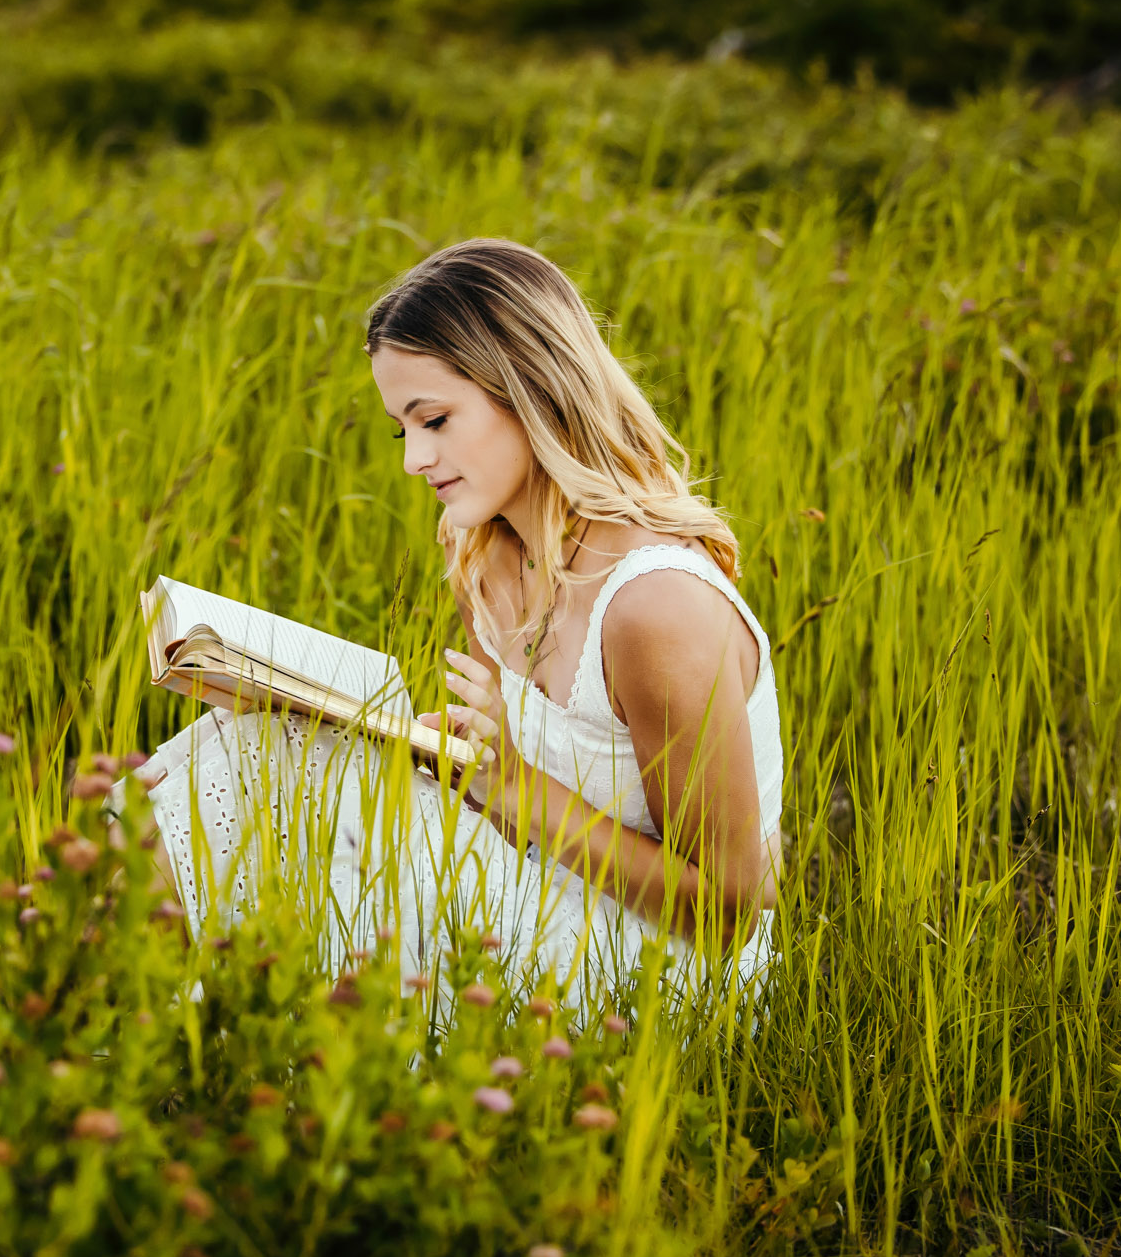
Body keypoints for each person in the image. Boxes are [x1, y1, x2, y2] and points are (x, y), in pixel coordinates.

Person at [138, 238, 783, 1021]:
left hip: (654, 967)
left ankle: (78, 1028)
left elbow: (728, 906)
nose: (415, 460)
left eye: (435, 419)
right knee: (253, 746)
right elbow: (499, 789)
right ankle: (50, 1007)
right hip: (543, 883)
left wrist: (509, 784)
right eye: (400, 429)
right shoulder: (480, 549)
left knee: (272, 773)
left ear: (533, 388)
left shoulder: (657, 606)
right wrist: (425, 755)